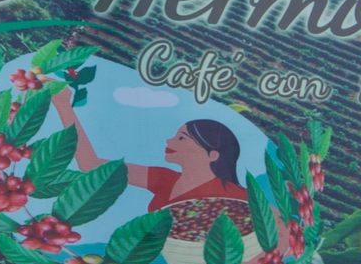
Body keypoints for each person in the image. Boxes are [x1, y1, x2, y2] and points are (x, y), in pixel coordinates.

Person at [51, 89, 247, 212]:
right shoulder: (164, 179)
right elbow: (91, 165)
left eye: (181, 138)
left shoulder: (234, 194)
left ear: (213, 154)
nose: (169, 141)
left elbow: (277, 223)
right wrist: (63, 104)